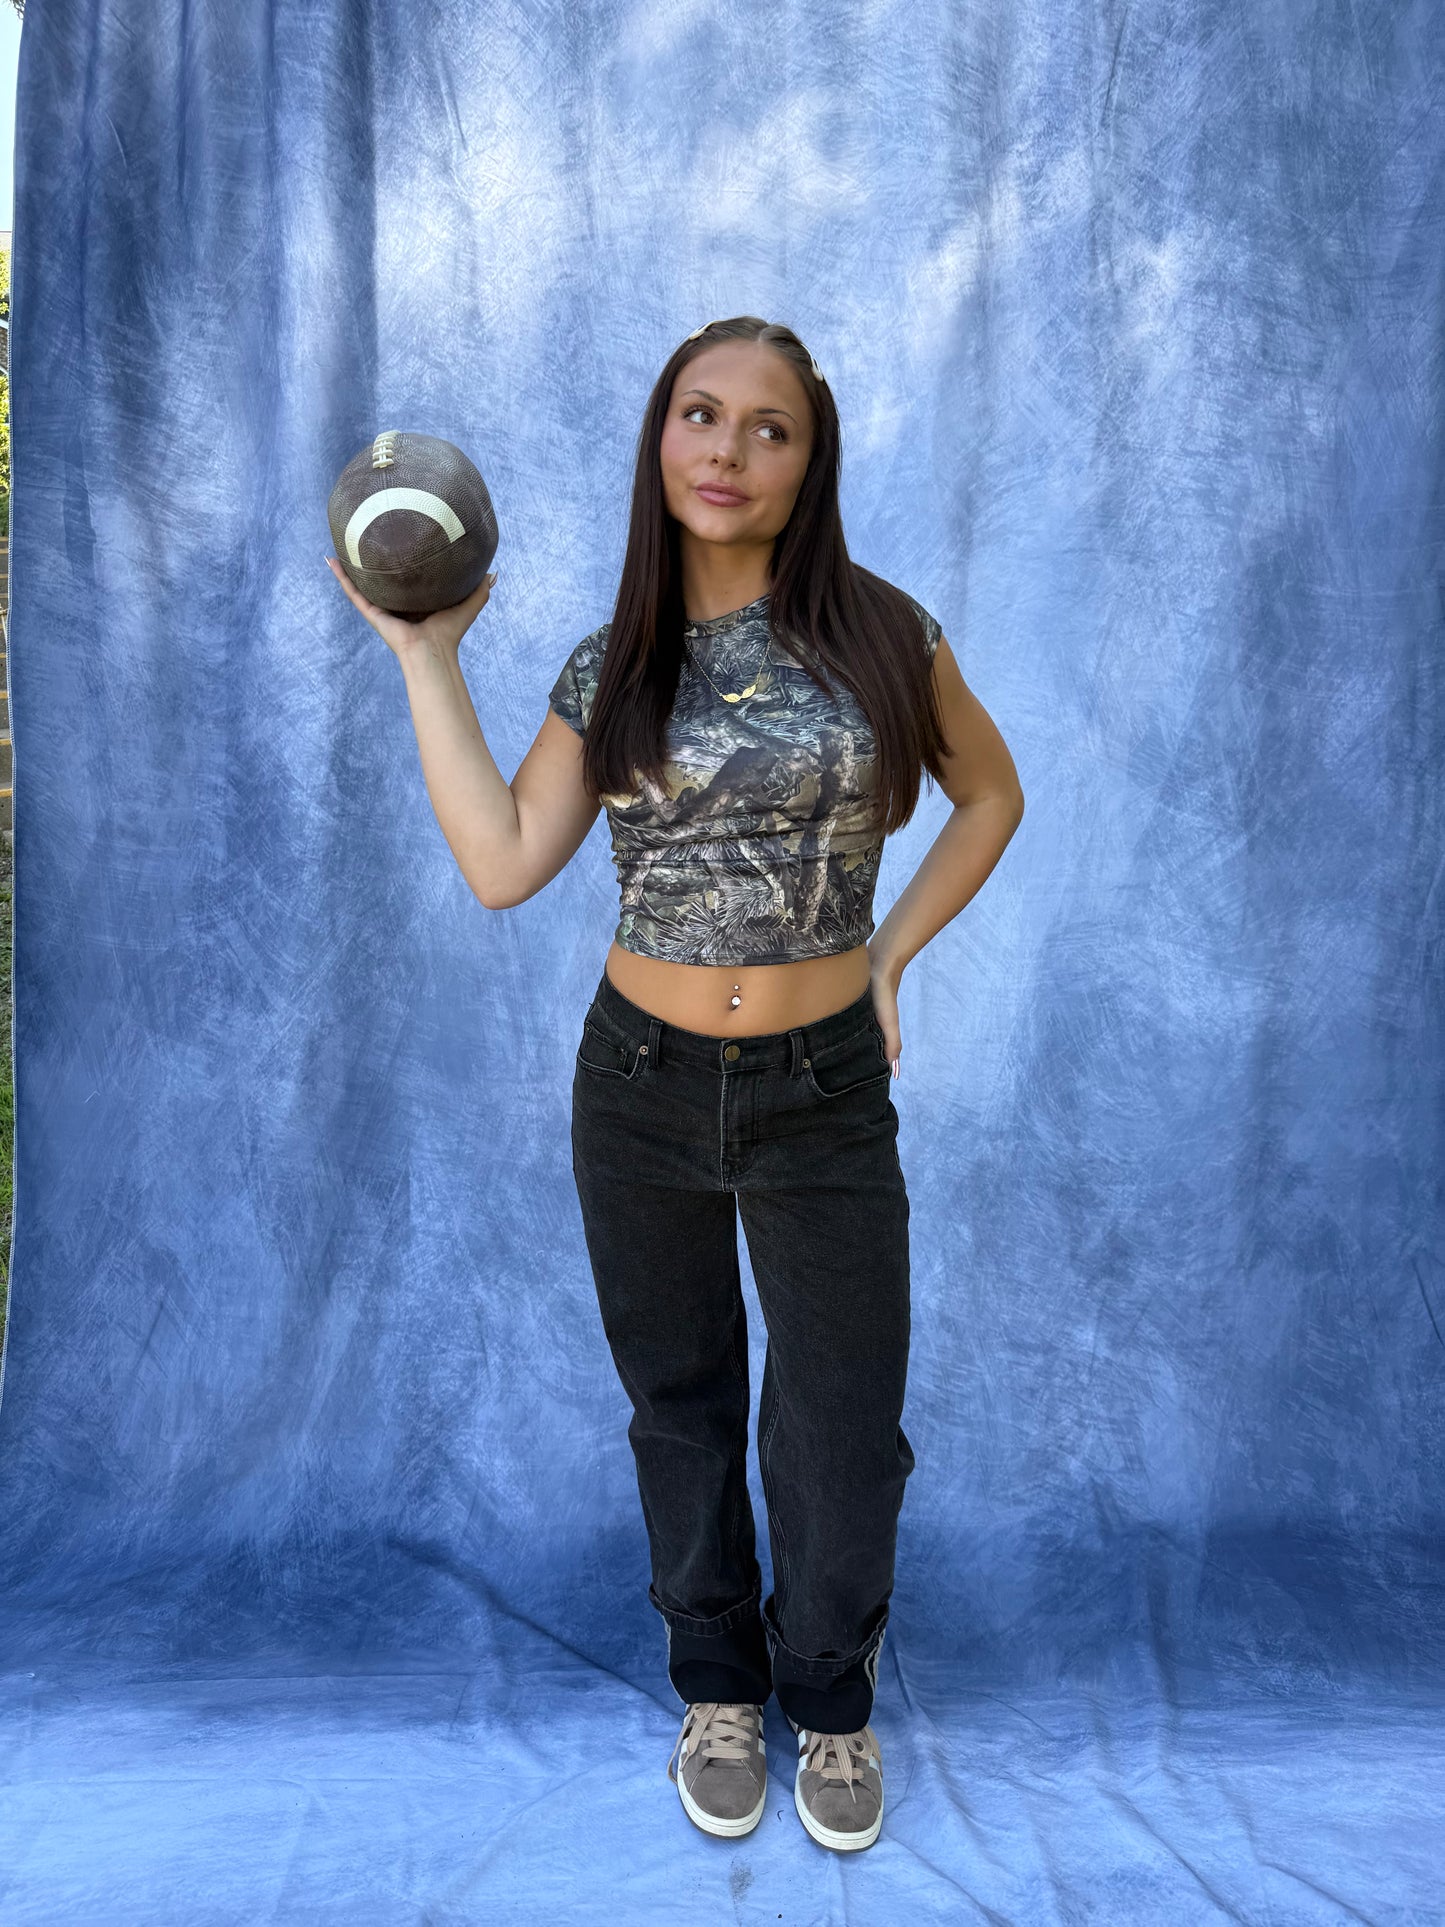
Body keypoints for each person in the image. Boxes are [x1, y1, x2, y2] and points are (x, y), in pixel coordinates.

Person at [325, 315, 1024, 1854]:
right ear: (660, 438)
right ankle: (716, 1687)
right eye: (700, 415)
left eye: (769, 427)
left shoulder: (884, 636)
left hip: (821, 1089)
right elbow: (504, 860)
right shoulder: (615, 662)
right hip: (637, 1084)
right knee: (682, 1406)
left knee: (839, 1420)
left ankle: (827, 1695)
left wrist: (889, 957)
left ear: (810, 460)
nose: (728, 450)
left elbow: (990, 795)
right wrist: (427, 659)